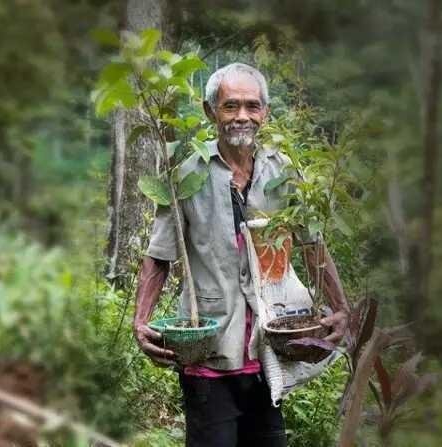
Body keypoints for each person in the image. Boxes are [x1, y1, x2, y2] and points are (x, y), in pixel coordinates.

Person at [132, 62, 349, 446]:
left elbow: (312, 244)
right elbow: (159, 256)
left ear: (265, 112)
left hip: (270, 348)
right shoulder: (185, 176)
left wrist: (340, 308)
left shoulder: (283, 172)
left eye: (252, 106)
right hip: (210, 352)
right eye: (231, 106)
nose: (242, 117)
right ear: (210, 111)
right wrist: (141, 321)